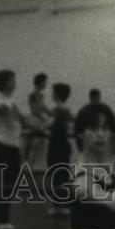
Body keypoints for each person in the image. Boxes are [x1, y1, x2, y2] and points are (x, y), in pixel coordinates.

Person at [0, 69, 37, 229]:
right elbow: (4, 112)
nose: (15, 82)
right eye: (12, 80)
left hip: (14, 148)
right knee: (0, 184)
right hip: (2, 146)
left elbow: (24, 121)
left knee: (10, 185)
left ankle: (4, 220)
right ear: (5, 83)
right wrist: (15, 115)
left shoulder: (14, 102)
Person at [45, 82, 74, 217]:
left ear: (57, 94)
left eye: (53, 92)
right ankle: (64, 205)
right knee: (62, 174)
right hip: (62, 144)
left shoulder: (58, 109)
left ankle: (60, 206)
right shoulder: (66, 109)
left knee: (57, 174)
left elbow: (48, 124)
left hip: (57, 144)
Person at [24, 72, 52, 167]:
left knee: (30, 145)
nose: (46, 84)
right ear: (40, 82)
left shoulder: (35, 94)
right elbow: (37, 109)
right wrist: (45, 118)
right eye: (45, 82)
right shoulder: (37, 95)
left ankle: (28, 165)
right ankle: (31, 166)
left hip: (33, 119)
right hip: (35, 121)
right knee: (36, 145)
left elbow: (42, 108)